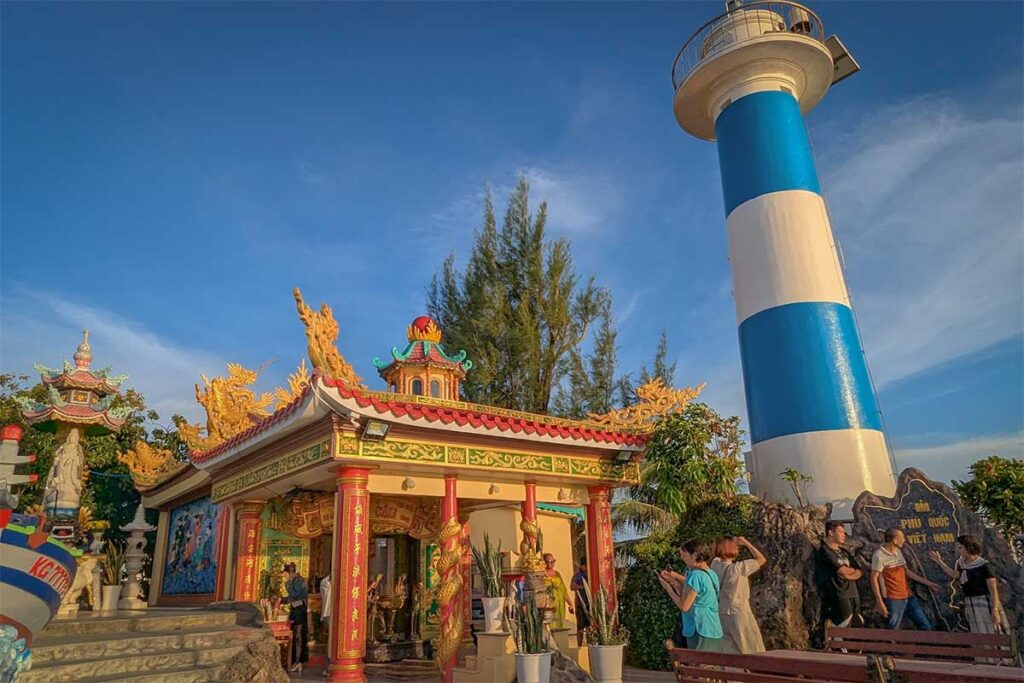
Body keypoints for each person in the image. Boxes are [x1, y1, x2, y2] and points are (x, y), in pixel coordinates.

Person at [928, 535, 1005, 634]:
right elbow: (955, 575)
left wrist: (995, 609)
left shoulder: (984, 565)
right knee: (977, 631)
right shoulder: (960, 563)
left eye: (960, 547)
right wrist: (939, 561)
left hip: (984, 602)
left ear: (968, 547)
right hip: (970, 603)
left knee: (991, 629)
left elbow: (993, 589)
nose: (957, 550)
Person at [658, 540, 724, 652]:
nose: (682, 558)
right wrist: (673, 582)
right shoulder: (711, 574)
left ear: (694, 555)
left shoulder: (695, 575)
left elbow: (684, 606)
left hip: (699, 628)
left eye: (684, 555)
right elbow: (692, 595)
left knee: (699, 666)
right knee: (712, 667)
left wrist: (667, 588)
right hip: (713, 628)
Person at [870, 528, 940, 630]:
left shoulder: (898, 552)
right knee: (893, 628)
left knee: (925, 625)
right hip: (893, 598)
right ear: (894, 540)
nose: (904, 540)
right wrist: (879, 601)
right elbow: (873, 578)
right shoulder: (879, 555)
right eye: (901, 538)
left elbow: (906, 572)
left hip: (908, 596)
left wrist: (929, 583)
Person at [711, 536, 766, 654]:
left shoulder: (715, 565)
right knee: (752, 647)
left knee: (730, 649)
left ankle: (734, 671)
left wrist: (724, 544)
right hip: (739, 611)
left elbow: (717, 557)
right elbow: (761, 559)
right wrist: (746, 543)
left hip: (722, 611)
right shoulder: (738, 569)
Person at [815, 521, 863, 628]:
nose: (844, 535)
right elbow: (842, 571)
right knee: (843, 624)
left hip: (853, 592)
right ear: (831, 532)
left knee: (857, 621)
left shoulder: (844, 551)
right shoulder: (825, 552)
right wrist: (850, 571)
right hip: (838, 594)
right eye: (841, 532)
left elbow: (859, 571)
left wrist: (849, 575)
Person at [284, 562, 309, 673]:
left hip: (299, 610)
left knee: (299, 635)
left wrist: (287, 583)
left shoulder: (299, 581)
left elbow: (295, 594)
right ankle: (295, 661)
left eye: (285, 573)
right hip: (294, 609)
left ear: (289, 572)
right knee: (295, 635)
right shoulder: (294, 581)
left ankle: (298, 661)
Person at [542, 553, 574, 629]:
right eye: (548, 561)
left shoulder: (557, 574)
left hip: (560, 606)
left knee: (560, 628)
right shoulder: (542, 575)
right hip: (549, 607)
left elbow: (564, 591)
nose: (551, 563)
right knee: (550, 627)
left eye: (552, 561)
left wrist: (570, 604)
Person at [570, 560, 590, 645]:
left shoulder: (589, 574)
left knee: (590, 626)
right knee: (581, 626)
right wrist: (583, 587)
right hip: (580, 604)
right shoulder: (577, 575)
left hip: (590, 604)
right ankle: (579, 644)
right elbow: (572, 586)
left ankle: (590, 642)